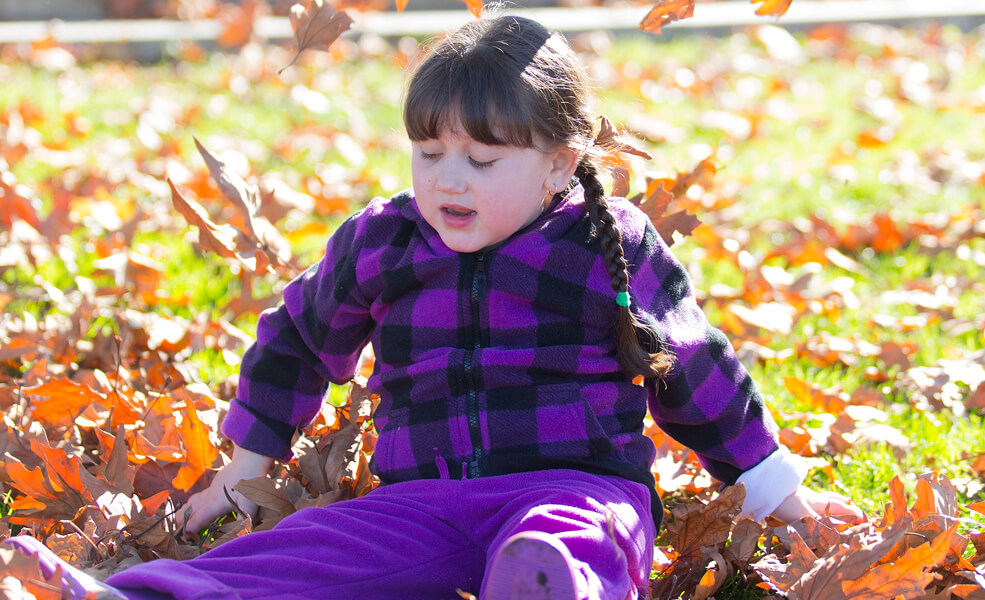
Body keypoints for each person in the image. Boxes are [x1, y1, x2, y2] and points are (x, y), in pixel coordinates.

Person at [3, 13, 862, 600]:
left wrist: (771, 488)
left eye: (483, 160)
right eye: (428, 151)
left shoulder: (605, 243)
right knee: (295, 557)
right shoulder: (386, 241)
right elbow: (299, 339)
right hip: (421, 500)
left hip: (572, 484)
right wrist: (246, 463)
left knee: (579, 537)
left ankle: (547, 584)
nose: (448, 178)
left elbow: (693, 367)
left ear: (560, 164)